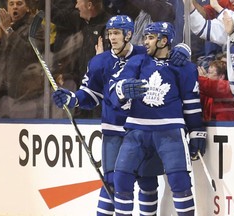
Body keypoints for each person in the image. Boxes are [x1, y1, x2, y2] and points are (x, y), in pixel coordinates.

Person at [52, 15, 190, 215]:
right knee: (112, 183)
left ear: (129, 34)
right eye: (109, 33)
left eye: (116, 33)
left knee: (148, 182)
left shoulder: (144, 53)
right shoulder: (99, 62)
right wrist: (72, 98)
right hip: (114, 130)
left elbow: (168, 52)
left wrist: (183, 50)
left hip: (141, 130)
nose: (112, 38)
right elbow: (90, 94)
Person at [109, 22, 206, 215]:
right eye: (145, 37)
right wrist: (121, 90)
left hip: (170, 131)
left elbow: (191, 103)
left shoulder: (184, 67)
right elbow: (114, 88)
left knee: (180, 181)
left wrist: (197, 132)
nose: (145, 41)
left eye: (150, 37)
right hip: (137, 130)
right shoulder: (137, 62)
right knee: (121, 179)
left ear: (163, 41)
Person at [186, 0, 234, 120]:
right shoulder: (232, 21)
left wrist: (217, 7)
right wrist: (189, 6)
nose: (231, 1)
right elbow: (203, 28)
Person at [0, 0, 44, 117]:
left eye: (19, 3)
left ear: (27, 8)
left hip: (21, 97)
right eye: (11, 4)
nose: (15, 7)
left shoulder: (36, 28)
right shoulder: (2, 27)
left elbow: (29, 54)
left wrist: (9, 32)